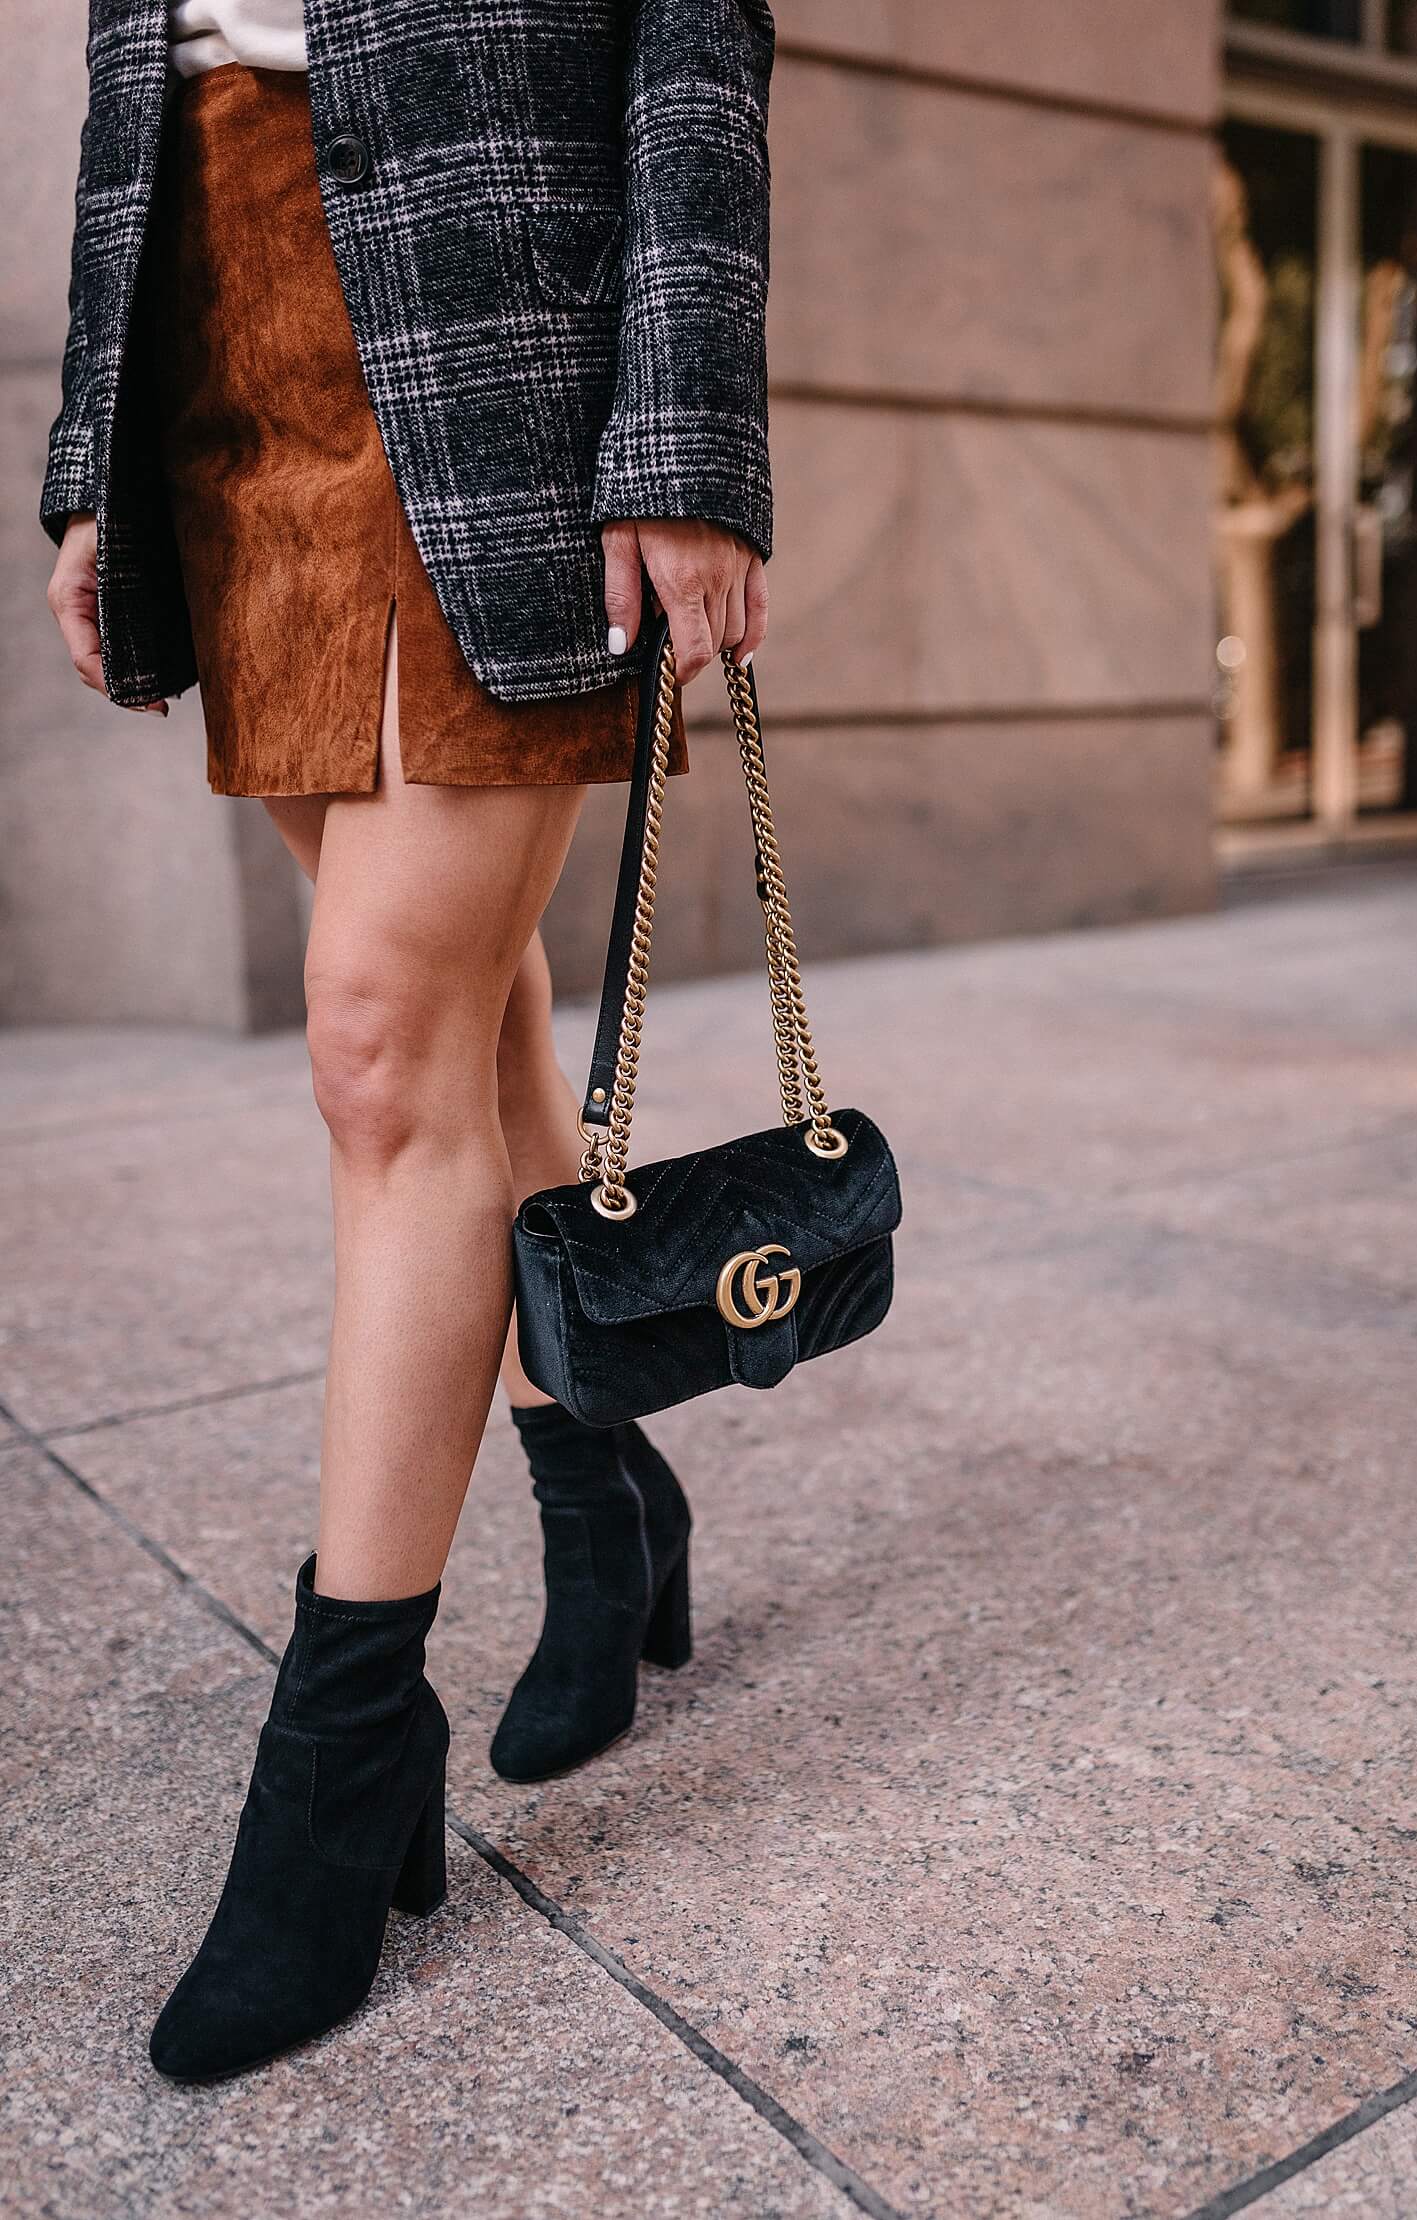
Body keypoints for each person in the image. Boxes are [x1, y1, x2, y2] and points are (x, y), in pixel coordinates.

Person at [42, 0, 775, 2082]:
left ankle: (349, 1754)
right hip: (226, 346)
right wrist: (91, 462)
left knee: (377, 1043)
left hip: (493, 350)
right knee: (470, 1016)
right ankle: (601, 1488)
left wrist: (688, 441)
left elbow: (693, 43)